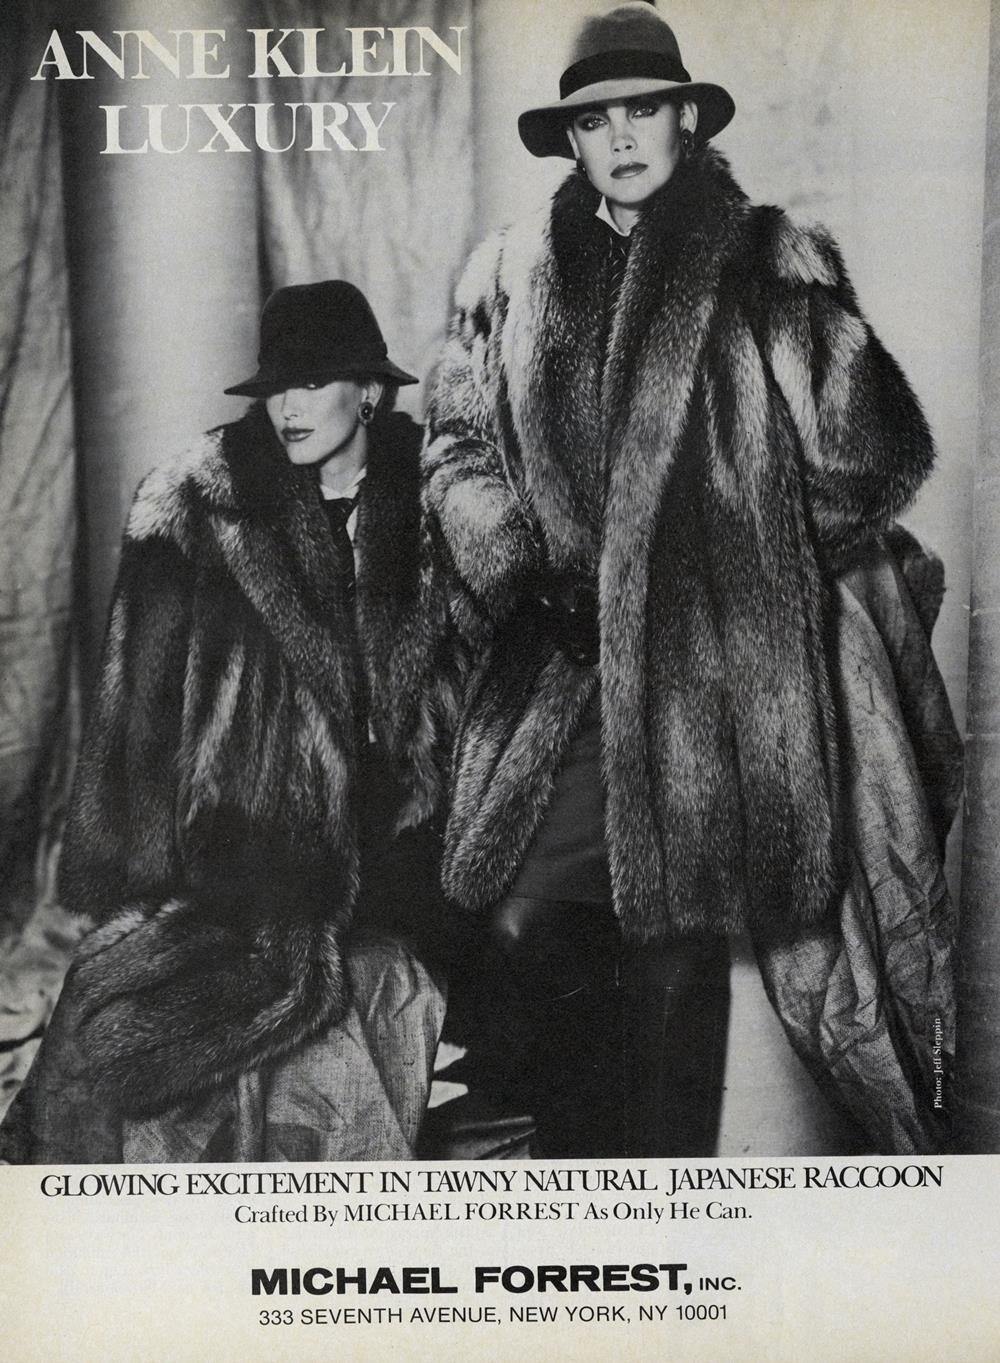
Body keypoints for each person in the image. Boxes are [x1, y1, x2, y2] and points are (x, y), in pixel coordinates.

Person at [423, 4, 959, 1157]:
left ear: (686, 120)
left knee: (670, 977)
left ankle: (659, 1230)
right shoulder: (508, 277)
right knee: (529, 938)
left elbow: (874, 454)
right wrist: (519, 566)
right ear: (571, 141)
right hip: (559, 682)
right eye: (594, 119)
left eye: (643, 110)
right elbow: (455, 447)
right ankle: (573, 1204)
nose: (620, 137)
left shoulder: (770, 261)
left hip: (712, 697)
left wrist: (726, 569)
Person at [1, 280, 457, 1162]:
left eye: (313, 382)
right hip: (253, 855)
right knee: (108, 1012)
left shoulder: (437, 501)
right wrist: (134, 878)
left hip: (403, 850)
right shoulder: (202, 504)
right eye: (276, 386)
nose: (289, 408)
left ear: (369, 390)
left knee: (375, 998)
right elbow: (138, 721)